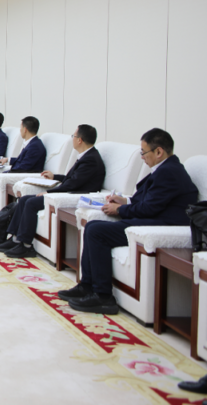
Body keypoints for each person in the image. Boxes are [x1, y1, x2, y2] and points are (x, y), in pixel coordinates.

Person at [59, 128, 198, 315]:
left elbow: (149, 209)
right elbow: (149, 200)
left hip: (161, 224)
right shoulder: (166, 169)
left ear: (158, 152)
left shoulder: (169, 172)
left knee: (96, 231)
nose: (142, 157)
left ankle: (103, 296)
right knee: (92, 227)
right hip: (153, 219)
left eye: (144, 152)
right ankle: (87, 286)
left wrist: (119, 209)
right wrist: (125, 201)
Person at [0, 124, 105, 258]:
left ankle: (26, 246)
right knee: (24, 199)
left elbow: (72, 184)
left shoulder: (90, 160)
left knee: (31, 203)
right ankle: (15, 239)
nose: (72, 138)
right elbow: (73, 179)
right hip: (67, 191)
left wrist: (49, 193)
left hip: (72, 196)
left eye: (73, 136)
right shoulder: (87, 156)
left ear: (79, 140)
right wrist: (55, 176)